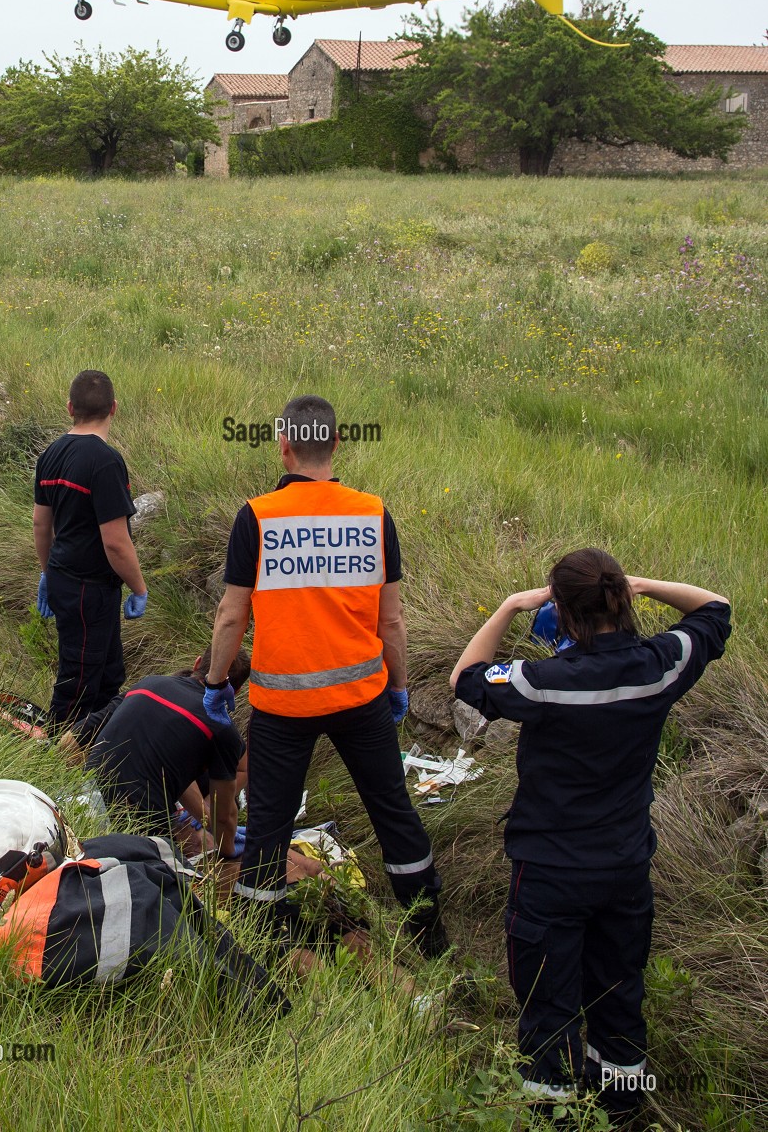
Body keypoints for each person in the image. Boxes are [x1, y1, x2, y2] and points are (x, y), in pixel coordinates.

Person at [449, 549, 731, 1124]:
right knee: (621, 1001)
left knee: (547, 1010)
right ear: (620, 599)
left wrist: (507, 607)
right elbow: (716, 608)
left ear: (563, 615)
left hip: (549, 873)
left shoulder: (543, 682)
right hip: (626, 868)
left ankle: (550, 1113)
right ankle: (624, 1110)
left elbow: (465, 679)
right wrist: (645, 584)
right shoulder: (662, 666)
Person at [204, 394, 446, 958]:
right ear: (336, 444)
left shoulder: (257, 516)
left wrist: (217, 684)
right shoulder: (372, 513)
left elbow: (232, 614)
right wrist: (400, 685)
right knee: (392, 811)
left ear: (283, 447)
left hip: (282, 707)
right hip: (361, 698)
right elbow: (393, 620)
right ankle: (430, 933)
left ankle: (265, 937)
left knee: (268, 822)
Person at [33, 370, 149, 728]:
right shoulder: (105, 461)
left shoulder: (51, 454)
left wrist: (47, 573)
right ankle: (54, 752)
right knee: (79, 679)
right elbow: (115, 542)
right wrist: (140, 588)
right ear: (114, 408)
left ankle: (93, 747)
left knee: (109, 673)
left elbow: (41, 523)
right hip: (89, 589)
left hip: (66, 579)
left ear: (70, 407)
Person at [68, 648, 250, 861]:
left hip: (83, 800)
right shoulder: (221, 728)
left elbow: (166, 769)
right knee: (209, 855)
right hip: (137, 826)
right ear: (236, 692)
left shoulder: (149, 684)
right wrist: (228, 852)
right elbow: (225, 815)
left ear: (197, 663)